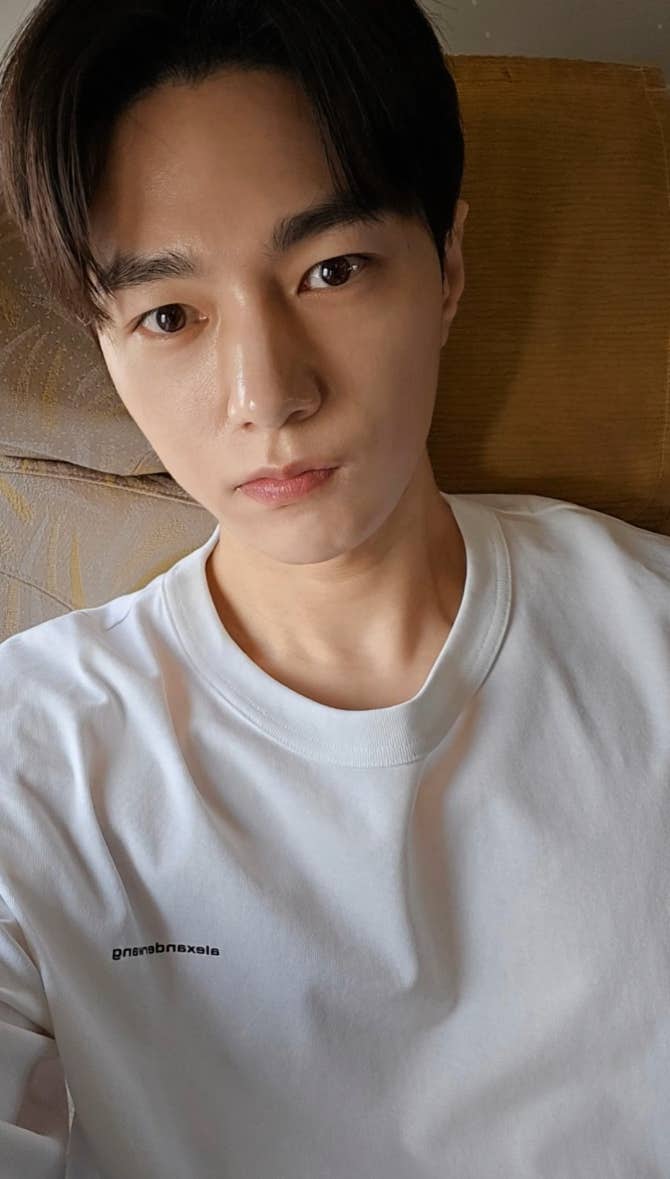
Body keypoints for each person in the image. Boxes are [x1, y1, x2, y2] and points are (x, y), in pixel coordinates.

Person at [0, 2, 667, 1176]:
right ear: (104, 343)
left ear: (447, 265)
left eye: (331, 270)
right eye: (169, 315)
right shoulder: (34, 756)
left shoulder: (648, 641)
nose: (267, 394)